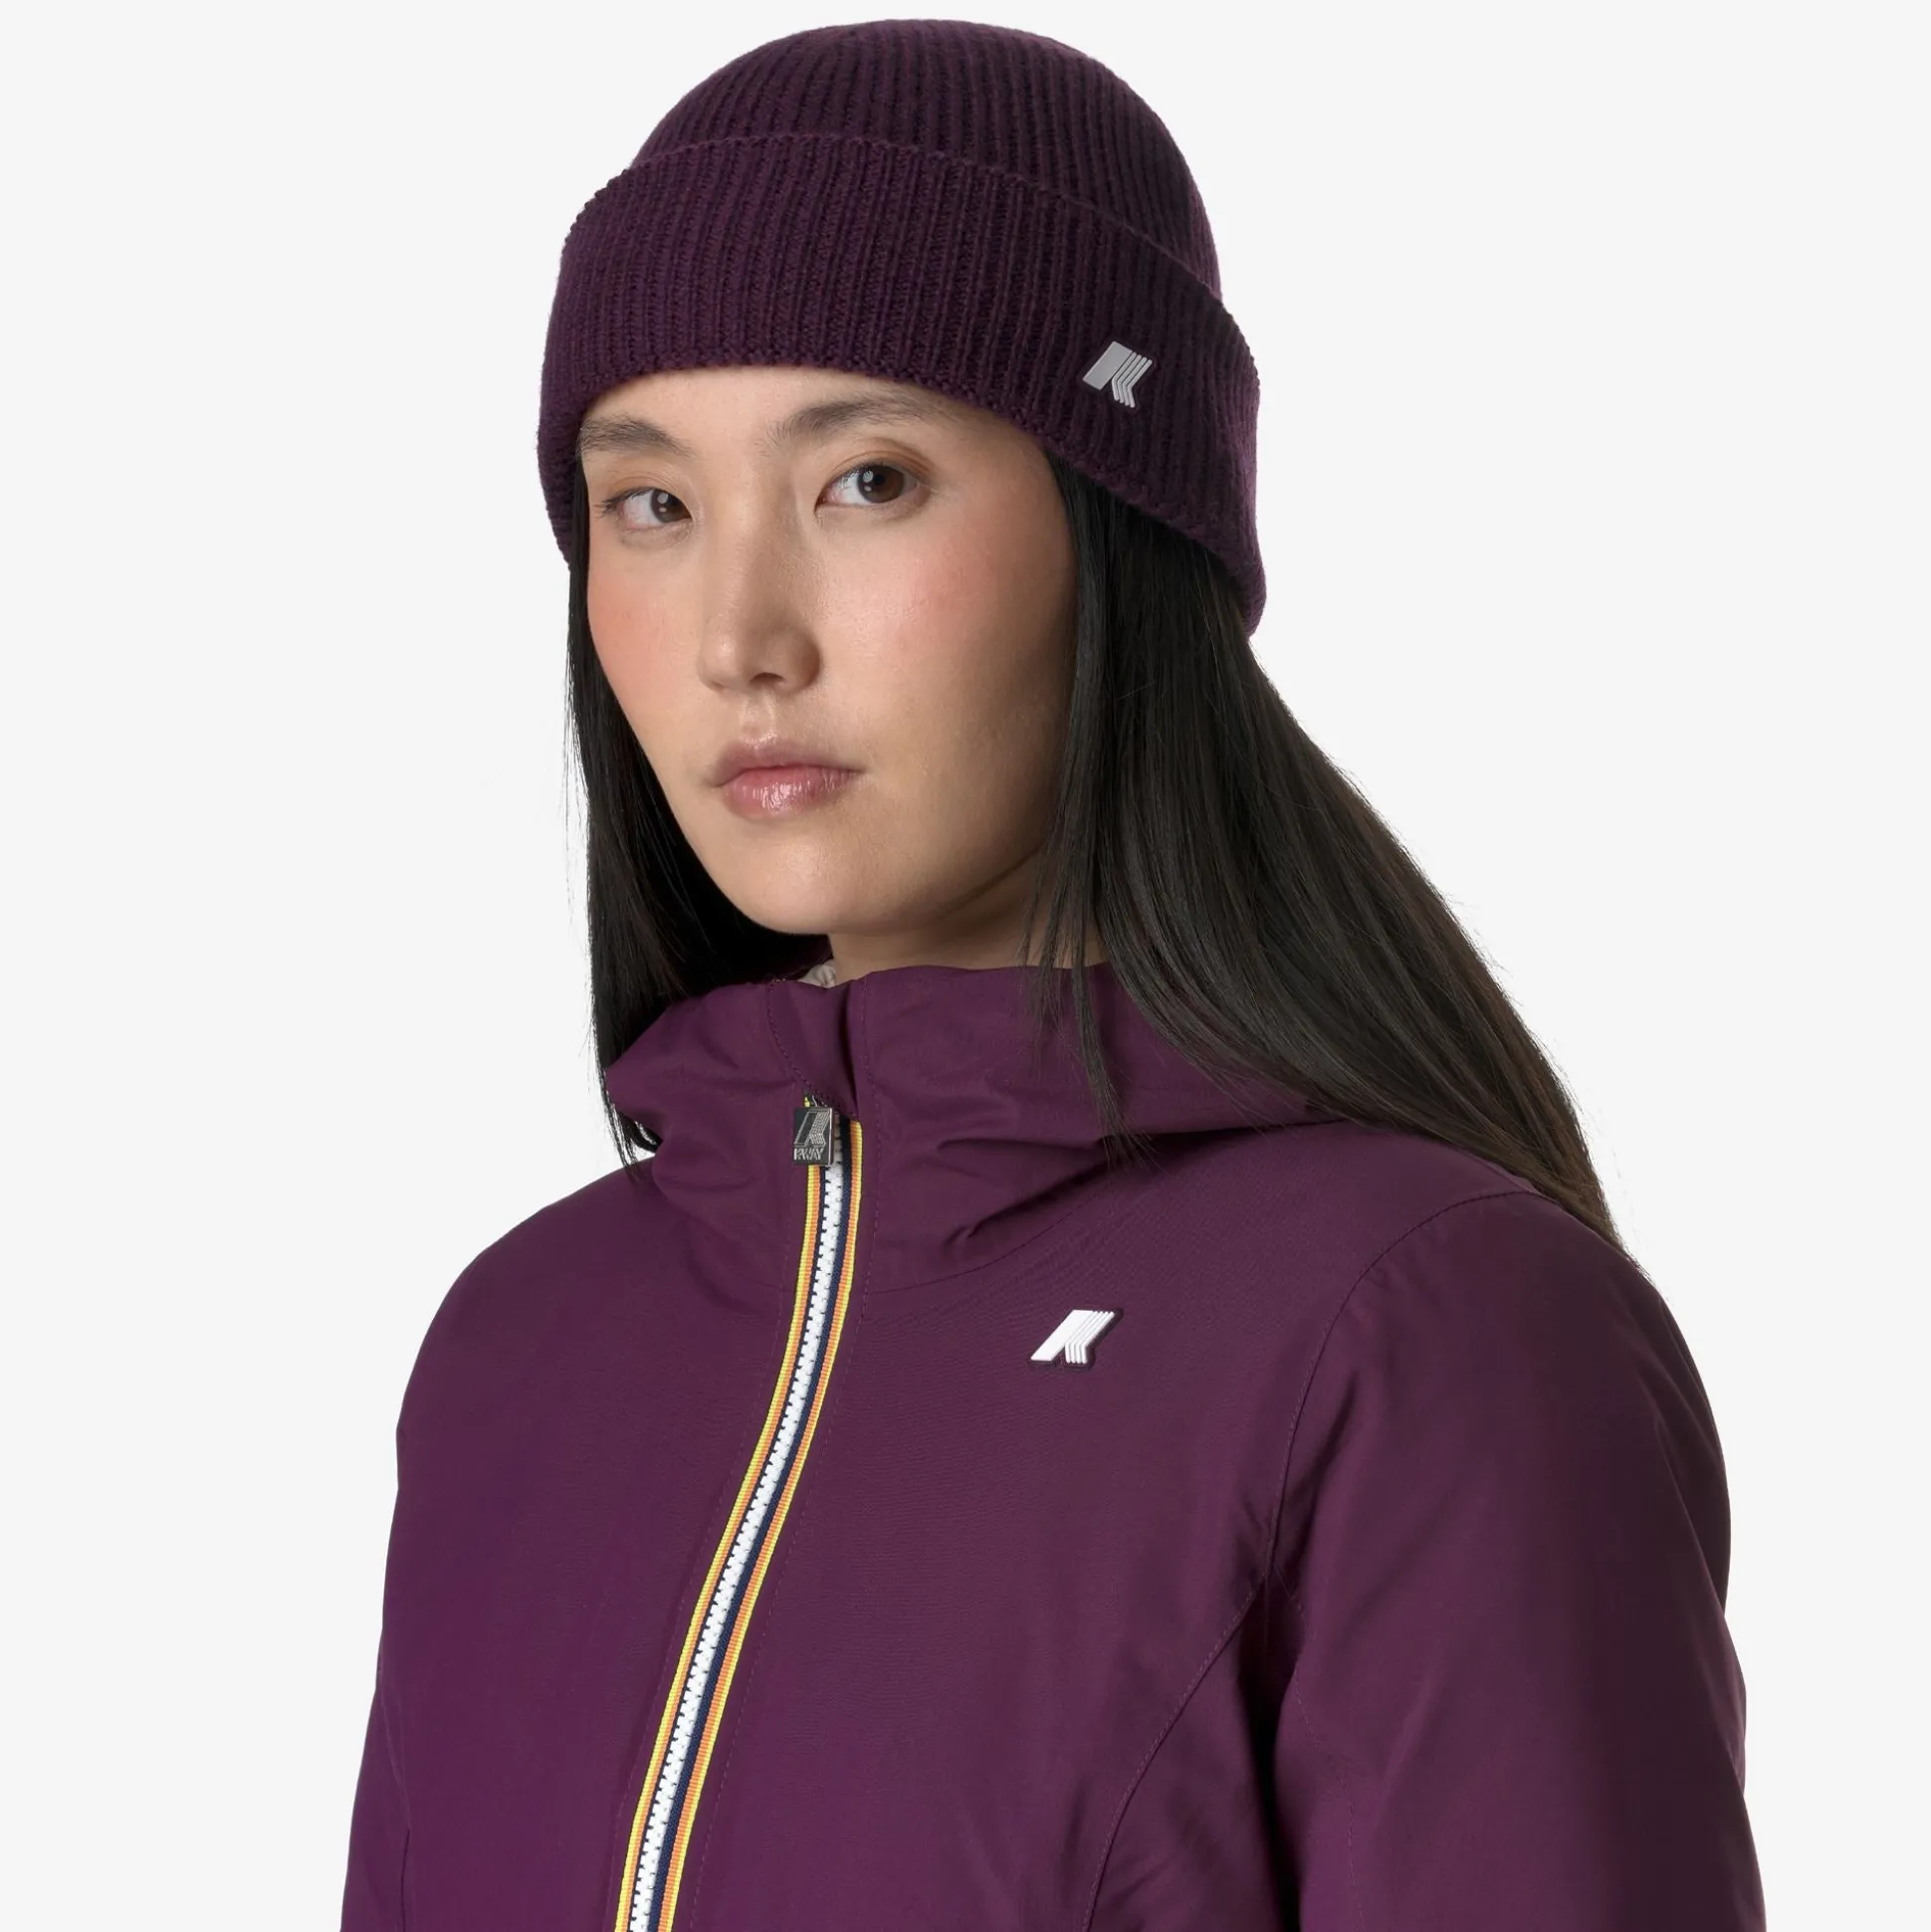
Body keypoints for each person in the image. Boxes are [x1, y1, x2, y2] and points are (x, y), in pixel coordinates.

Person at [339, 19, 1765, 1931]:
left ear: (1119, 524)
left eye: (868, 481)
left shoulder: (1424, 1334)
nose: (742, 635)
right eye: (651, 506)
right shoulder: (522, 1349)